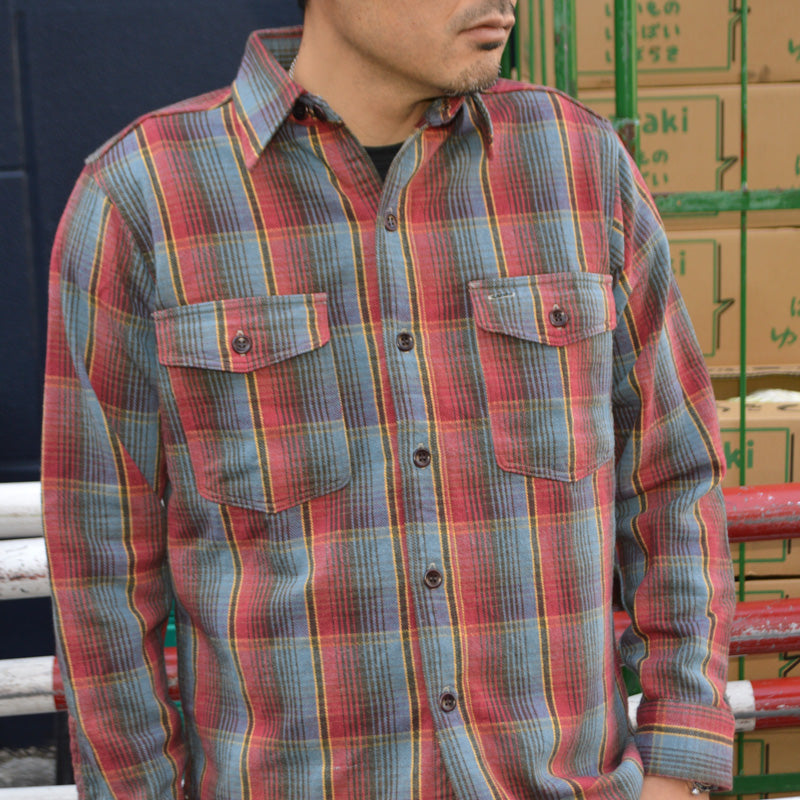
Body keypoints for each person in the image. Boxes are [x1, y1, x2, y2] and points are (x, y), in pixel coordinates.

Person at [42, 1, 736, 798]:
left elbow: (673, 479)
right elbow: (97, 566)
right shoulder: (143, 200)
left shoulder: (578, 164)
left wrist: (677, 767)